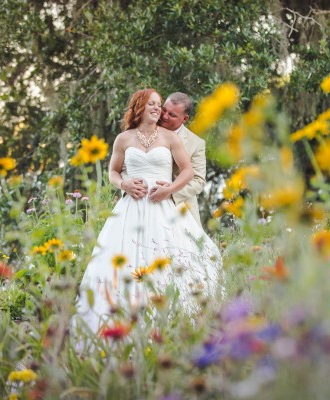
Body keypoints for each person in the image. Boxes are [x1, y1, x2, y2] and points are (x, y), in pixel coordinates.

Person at [74, 88, 221, 335]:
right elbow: (113, 172)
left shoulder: (170, 138)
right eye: (153, 104)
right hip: (131, 208)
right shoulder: (123, 138)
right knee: (126, 263)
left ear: (183, 118)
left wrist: (170, 190)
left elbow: (188, 172)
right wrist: (124, 183)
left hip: (164, 208)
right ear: (139, 106)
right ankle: (125, 321)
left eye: (160, 105)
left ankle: (174, 325)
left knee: (168, 262)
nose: (158, 110)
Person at [121, 92, 206, 227]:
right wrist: (128, 185)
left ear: (184, 119)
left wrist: (170, 192)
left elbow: (198, 180)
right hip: (139, 203)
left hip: (180, 209)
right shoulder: (137, 132)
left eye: (172, 115)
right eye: (164, 110)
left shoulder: (196, 143)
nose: (164, 116)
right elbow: (125, 167)